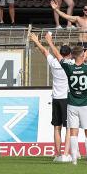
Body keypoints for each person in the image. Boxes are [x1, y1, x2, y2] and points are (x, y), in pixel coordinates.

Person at [43, 32, 87, 164]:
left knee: (73, 131)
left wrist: (49, 41)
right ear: (83, 55)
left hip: (72, 103)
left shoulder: (68, 66)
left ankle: (73, 159)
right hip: (85, 103)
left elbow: (56, 54)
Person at [28, 33, 72, 162]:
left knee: (56, 127)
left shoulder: (53, 62)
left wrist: (38, 41)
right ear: (69, 55)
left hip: (56, 98)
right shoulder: (70, 63)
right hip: (66, 98)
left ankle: (57, 154)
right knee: (68, 127)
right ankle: (65, 154)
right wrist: (50, 42)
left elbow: (44, 51)